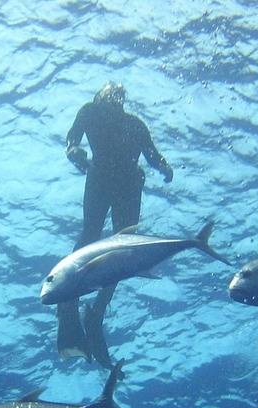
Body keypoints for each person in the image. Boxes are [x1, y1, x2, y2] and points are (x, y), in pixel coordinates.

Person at [59, 82, 174, 366]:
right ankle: (69, 300)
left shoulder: (134, 124)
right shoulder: (89, 113)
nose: (114, 99)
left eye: (118, 96)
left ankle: (97, 311)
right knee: (91, 235)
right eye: (110, 95)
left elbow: (151, 154)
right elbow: (72, 139)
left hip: (129, 184)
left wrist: (163, 165)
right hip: (100, 178)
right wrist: (73, 151)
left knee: (125, 249)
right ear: (99, 96)